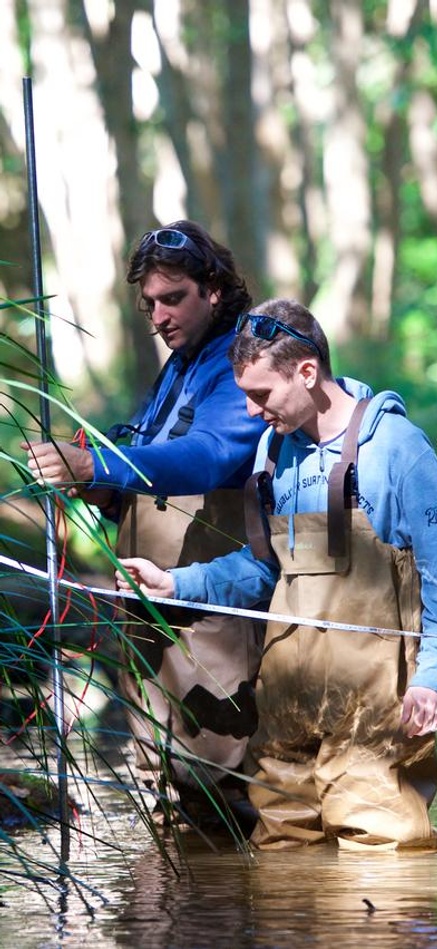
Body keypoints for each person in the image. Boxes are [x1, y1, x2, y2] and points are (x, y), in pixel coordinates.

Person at [116, 298, 437, 851]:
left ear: (306, 372)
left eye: (261, 395)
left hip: (373, 712)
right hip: (285, 709)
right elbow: (265, 570)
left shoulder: (399, 450)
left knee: (383, 854)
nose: (253, 411)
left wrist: (431, 677)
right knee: (282, 855)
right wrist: (175, 583)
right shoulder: (271, 451)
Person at [23, 221, 266, 827]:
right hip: (151, 610)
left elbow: (212, 456)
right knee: (162, 776)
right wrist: (93, 481)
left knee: (221, 783)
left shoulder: (242, 356)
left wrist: (98, 460)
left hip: (212, 605)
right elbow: (146, 470)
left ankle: (243, 911)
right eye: (150, 303)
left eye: (173, 297)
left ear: (213, 289)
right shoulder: (179, 365)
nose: (158, 316)